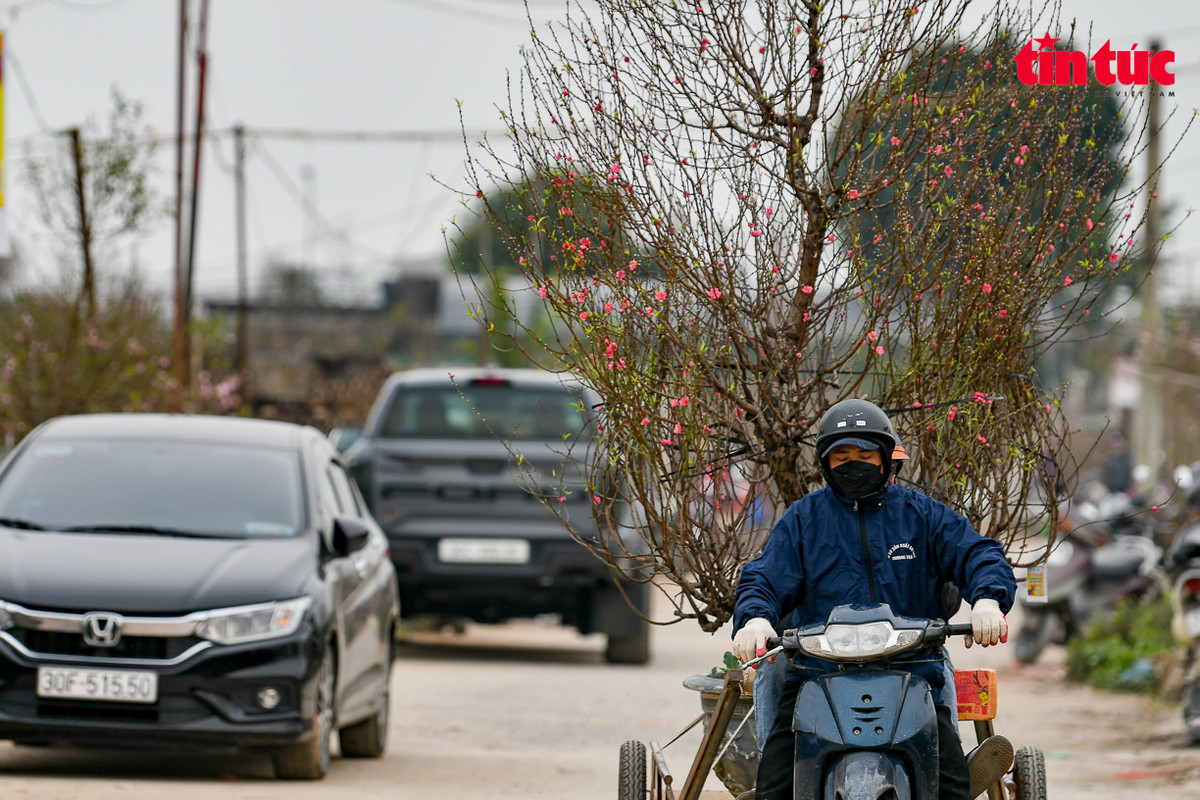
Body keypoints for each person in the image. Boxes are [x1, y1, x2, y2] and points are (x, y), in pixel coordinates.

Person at [731, 398, 1017, 800]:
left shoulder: (923, 515)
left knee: (951, 787)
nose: (854, 463)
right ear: (826, 464)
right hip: (816, 672)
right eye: (842, 455)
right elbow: (764, 576)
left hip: (913, 667)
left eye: (865, 453)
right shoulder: (803, 519)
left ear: (887, 460)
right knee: (775, 787)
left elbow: (978, 553)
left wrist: (988, 600)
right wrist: (756, 619)